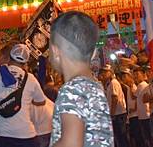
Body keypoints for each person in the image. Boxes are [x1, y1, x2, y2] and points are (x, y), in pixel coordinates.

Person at [47, 11, 113, 147]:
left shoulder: (72, 89)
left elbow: (71, 143)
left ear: (55, 51)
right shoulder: (94, 85)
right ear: (94, 52)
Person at [0, 43, 46, 147]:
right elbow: (41, 101)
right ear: (25, 62)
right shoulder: (31, 79)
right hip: (26, 134)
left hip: (2, 134)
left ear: (9, 57)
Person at [98, 65, 129, 147]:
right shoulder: (108, 84)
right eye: (102, 72)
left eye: (105, 72)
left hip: (118, 114)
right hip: (116, 114)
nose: (103, 74)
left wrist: (112, 113)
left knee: (121, 137)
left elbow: (114, 98)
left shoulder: (113, 83)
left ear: (110, 72)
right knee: (118, 137)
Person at [120, 68, 140, 147]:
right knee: (134, 136)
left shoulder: (134, 87)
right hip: (131, 115)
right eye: (122, 77)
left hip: (135, 115)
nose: (123, 78)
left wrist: (135, 108)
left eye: (125, 76)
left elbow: (136, 98)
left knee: (138, 136)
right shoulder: (128, 88)